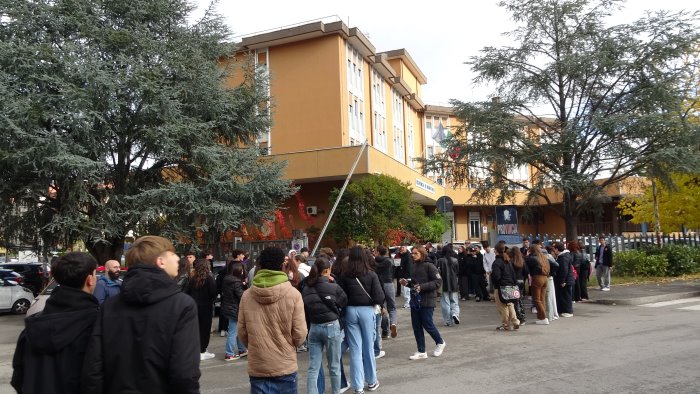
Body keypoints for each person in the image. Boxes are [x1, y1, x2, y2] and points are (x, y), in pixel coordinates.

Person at [82, 235, 200, 393]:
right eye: (173, 254)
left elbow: (94, 369)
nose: (178, 258)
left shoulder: (109, 306)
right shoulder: (182, 306)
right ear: (161, 261)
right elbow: (184, 373)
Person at [12, 252, 99, 394]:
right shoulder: (98, 325)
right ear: (90, 279)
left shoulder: (32, 326)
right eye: (95, 274)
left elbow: (19, 379)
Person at [238, 246, 307, 393]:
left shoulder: (247, 296)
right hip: (285, 364)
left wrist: (256, 346)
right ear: (282, 265)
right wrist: (289, 345)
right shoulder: (293, 294)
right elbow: (300, 334)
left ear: (260, 265)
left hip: (259, 365)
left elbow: (242, 332)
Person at [336, 246, 384, 394]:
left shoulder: (345, 275)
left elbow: (341, 296)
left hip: (350, 311)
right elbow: (379, 297)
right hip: (367, 311)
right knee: (368, 348)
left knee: (355, 349)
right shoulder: (371, 274)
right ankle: (371, 381)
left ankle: (358, 387)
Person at [302, 257, 347, 394]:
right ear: (327, 270)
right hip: (331, 326)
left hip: (314, 327)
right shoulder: (333, 286)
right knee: (334, 366)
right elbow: (343, 301)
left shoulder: (306, 288)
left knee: (313, 367)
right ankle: (335, 391)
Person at [400, 246, 446, 361]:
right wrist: (407, 283)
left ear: (422, 254)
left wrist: (422, 287)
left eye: (416, 253)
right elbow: (415, 283)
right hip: (415, 300)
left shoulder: (429, 265)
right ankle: (421, 351)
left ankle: (440, 342)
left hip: (427, 300)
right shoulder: (415, 266)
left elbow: (438, 282)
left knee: (427, 324)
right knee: (416, 326)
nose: (413, 255)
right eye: (413, 253)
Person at [186, 258, 218, 360]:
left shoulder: (192, 278)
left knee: (196, 329)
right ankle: (202, 351)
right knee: (205, 329)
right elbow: (213, 293)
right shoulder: (209, 278)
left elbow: (188, 292)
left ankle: (197, 350)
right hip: (206, 307)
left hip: (194, 306)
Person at [220, 260, 248, 361]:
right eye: (241, 270)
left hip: (228, 307)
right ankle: (229, 353)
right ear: (236, 270)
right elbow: (241, 296)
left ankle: (242, 350)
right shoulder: (236, 282)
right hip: (234, 309)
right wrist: (245, 288)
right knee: (233, 331)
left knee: (238, 330)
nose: (242, 272)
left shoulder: (227, 279)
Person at [491, 244, 520, 331]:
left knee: (502, 306)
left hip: (501, 286)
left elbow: (496, 276)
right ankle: (515, 321)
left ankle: (506, 324)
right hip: (510, 285)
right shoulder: (507, 260)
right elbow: (513, 274)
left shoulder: (496, 262)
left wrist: (497, 284)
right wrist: (514, 284)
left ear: (495, 251)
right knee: (510, 304)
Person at [374, 245, 398, 338]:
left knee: (382, 307)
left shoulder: (374, 262)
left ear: (378, 252)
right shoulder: (390, 261)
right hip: (389, 283)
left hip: (379, 285)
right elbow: (394, 272)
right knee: (392, 307)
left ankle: (385, 330)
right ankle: (393, 324)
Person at [525, 245, 551, 325]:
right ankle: (541, 318)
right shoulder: (544, 257)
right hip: (545, 278)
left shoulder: (532, 258)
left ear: (531, 250)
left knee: (536, 299)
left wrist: (527, 254)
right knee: (542, 299)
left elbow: (526, 265)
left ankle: (543, 318)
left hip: (537, 278)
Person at [436, 243, 460, 326]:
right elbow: (457, 272)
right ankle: (455, 314)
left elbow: (437, 272)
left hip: (443, 284)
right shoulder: (455, 260)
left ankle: (448, 321)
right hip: (454, 284)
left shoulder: (440, 261)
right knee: (454, 301)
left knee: (445, 302)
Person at [552, 242, 574, 317]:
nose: (554, 251)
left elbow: (564, 270)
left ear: (557, 249)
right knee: (563, 295)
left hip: (566, 280)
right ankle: (563, 310)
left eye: (554, 249)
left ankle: (568, 311)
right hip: (566, 280)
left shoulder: (563, 257)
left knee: (566, 296)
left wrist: (563, 281)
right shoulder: (563, 256)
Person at [508, 247, 529, 325]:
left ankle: (519, 318)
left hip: (513, 282)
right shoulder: (522, 261)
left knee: (514, 301)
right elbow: (526, 271)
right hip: (521, 281)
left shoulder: (510, 261)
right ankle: (522, 317)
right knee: (519, 300)